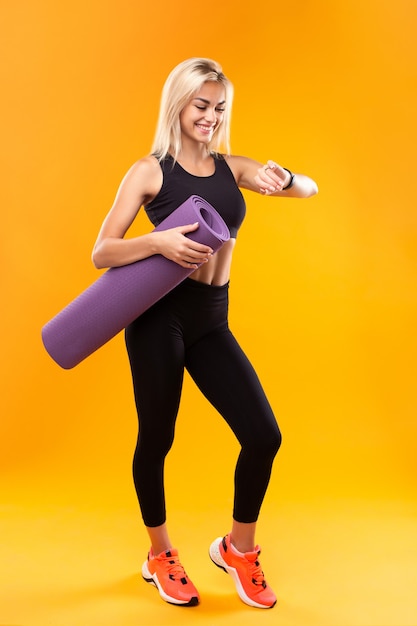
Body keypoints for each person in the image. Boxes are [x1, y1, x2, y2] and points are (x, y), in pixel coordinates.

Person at [92, 57, 318, 610]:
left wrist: (285, 178)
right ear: (178, 104)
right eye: (201, 106)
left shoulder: (231, 167)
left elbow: (309, 190)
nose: (211, 116)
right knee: (158, 438)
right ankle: (159, 554)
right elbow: (102, 252)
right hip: (158, 317)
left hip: (211, 319)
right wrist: (156, 243)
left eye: (220, 107)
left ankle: (237, 550)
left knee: (264, 435)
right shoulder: (149, 171)